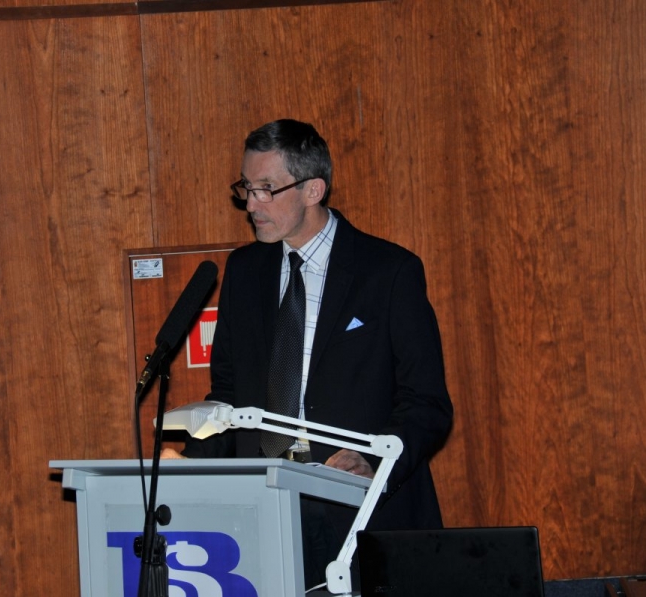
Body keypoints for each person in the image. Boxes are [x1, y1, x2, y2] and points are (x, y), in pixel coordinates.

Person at [163, 118, 453, 589]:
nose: (250, 204)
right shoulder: (244, 271)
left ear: (313, 190)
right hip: (268, 512)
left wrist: (371, 460)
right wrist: (193, 461)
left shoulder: (388, 272)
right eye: (246, 187)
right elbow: (231, 395)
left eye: (266, 189)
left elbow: (427, 403)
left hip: (361, 512)